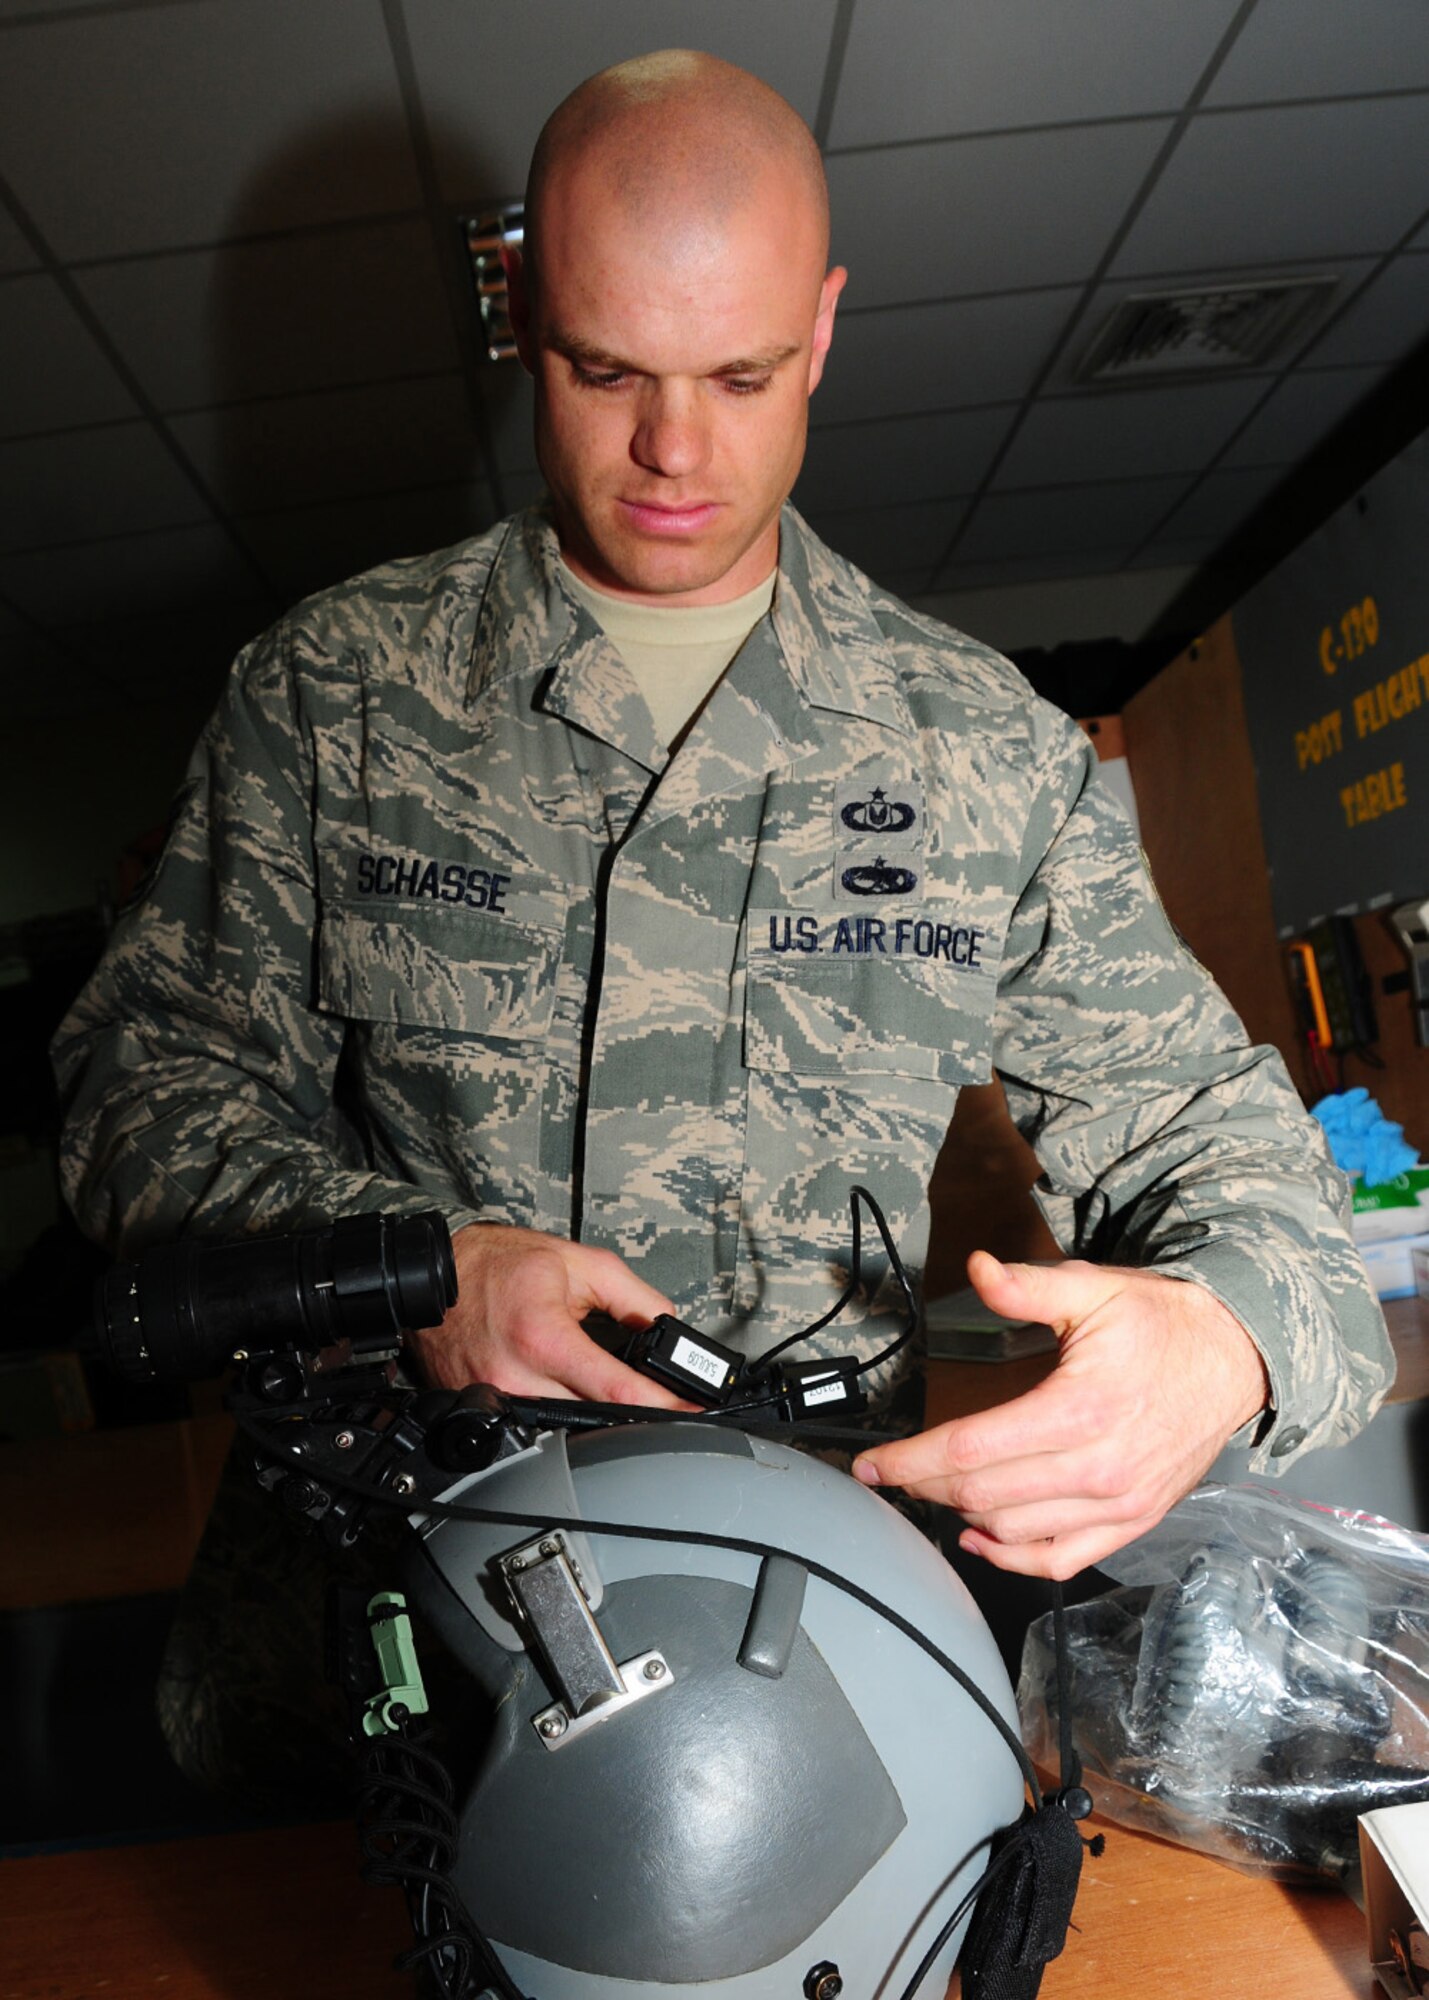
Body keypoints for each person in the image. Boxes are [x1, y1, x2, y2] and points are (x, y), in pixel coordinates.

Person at [56, 49, 1390, 1610]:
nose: (674, 454)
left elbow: (1207, 1132)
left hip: (812, 1605)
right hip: (397, 1574)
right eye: (604, 371)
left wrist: (1220, 1336)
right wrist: (416, 1267)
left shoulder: (981, 752)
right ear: (516, 311)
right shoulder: (335, 696)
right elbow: (140, 1089)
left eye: (742, 377)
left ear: (820, 326)